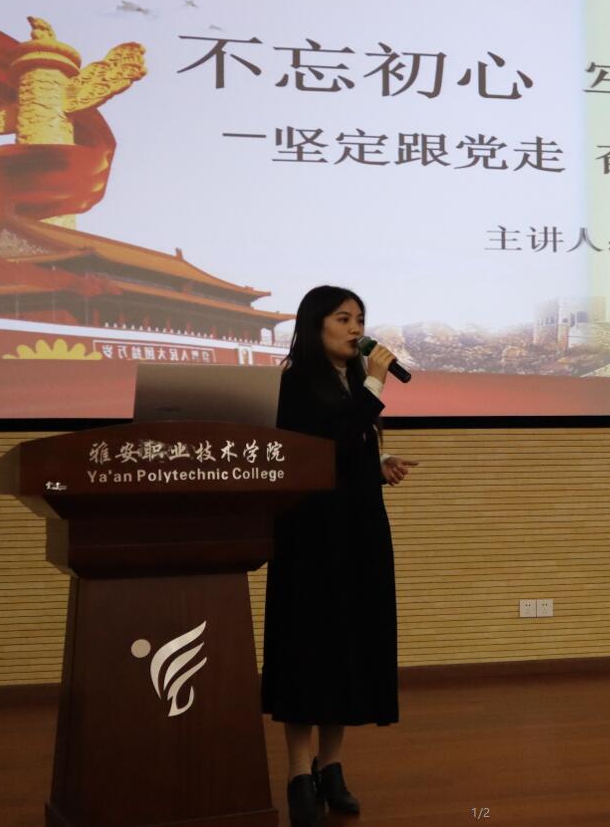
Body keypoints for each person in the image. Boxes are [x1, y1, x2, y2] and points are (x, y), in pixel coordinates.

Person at [262, 285, 419, 826]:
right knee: (309, 647)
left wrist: (378, 464)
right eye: (343, 319)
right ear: (315, 325)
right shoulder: (294, 383)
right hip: (309, 534)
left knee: (350, 644)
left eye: (360, 319)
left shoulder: (353, 380)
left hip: (359, 528)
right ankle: (298, 774)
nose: (356, 330)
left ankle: (331, 767)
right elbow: (320, 443)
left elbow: (348, 447)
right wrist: (375, 383)